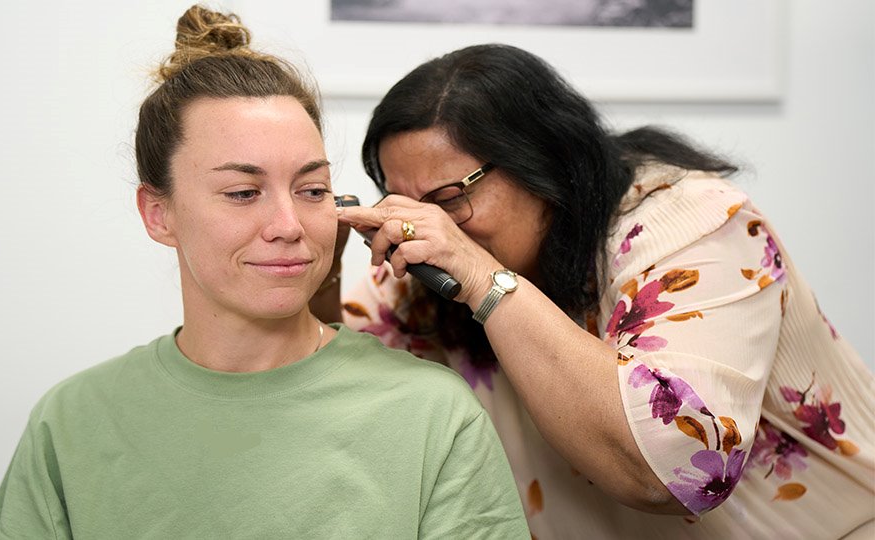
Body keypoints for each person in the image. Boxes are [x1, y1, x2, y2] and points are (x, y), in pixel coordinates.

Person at [0, 10, 530, 539]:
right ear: (159, 214)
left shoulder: (434, 414)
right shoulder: (72, 422)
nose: (289, 225)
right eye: (244, 193)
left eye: (312, 190)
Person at [327, 43, 874, 538]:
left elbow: (676, 467)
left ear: (541, 163)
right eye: (403, 202)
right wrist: (320, 267)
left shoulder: (694, 224)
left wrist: (485, 283)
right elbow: (339, 392)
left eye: (448, 197)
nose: (425, 224)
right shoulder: (431, 263)